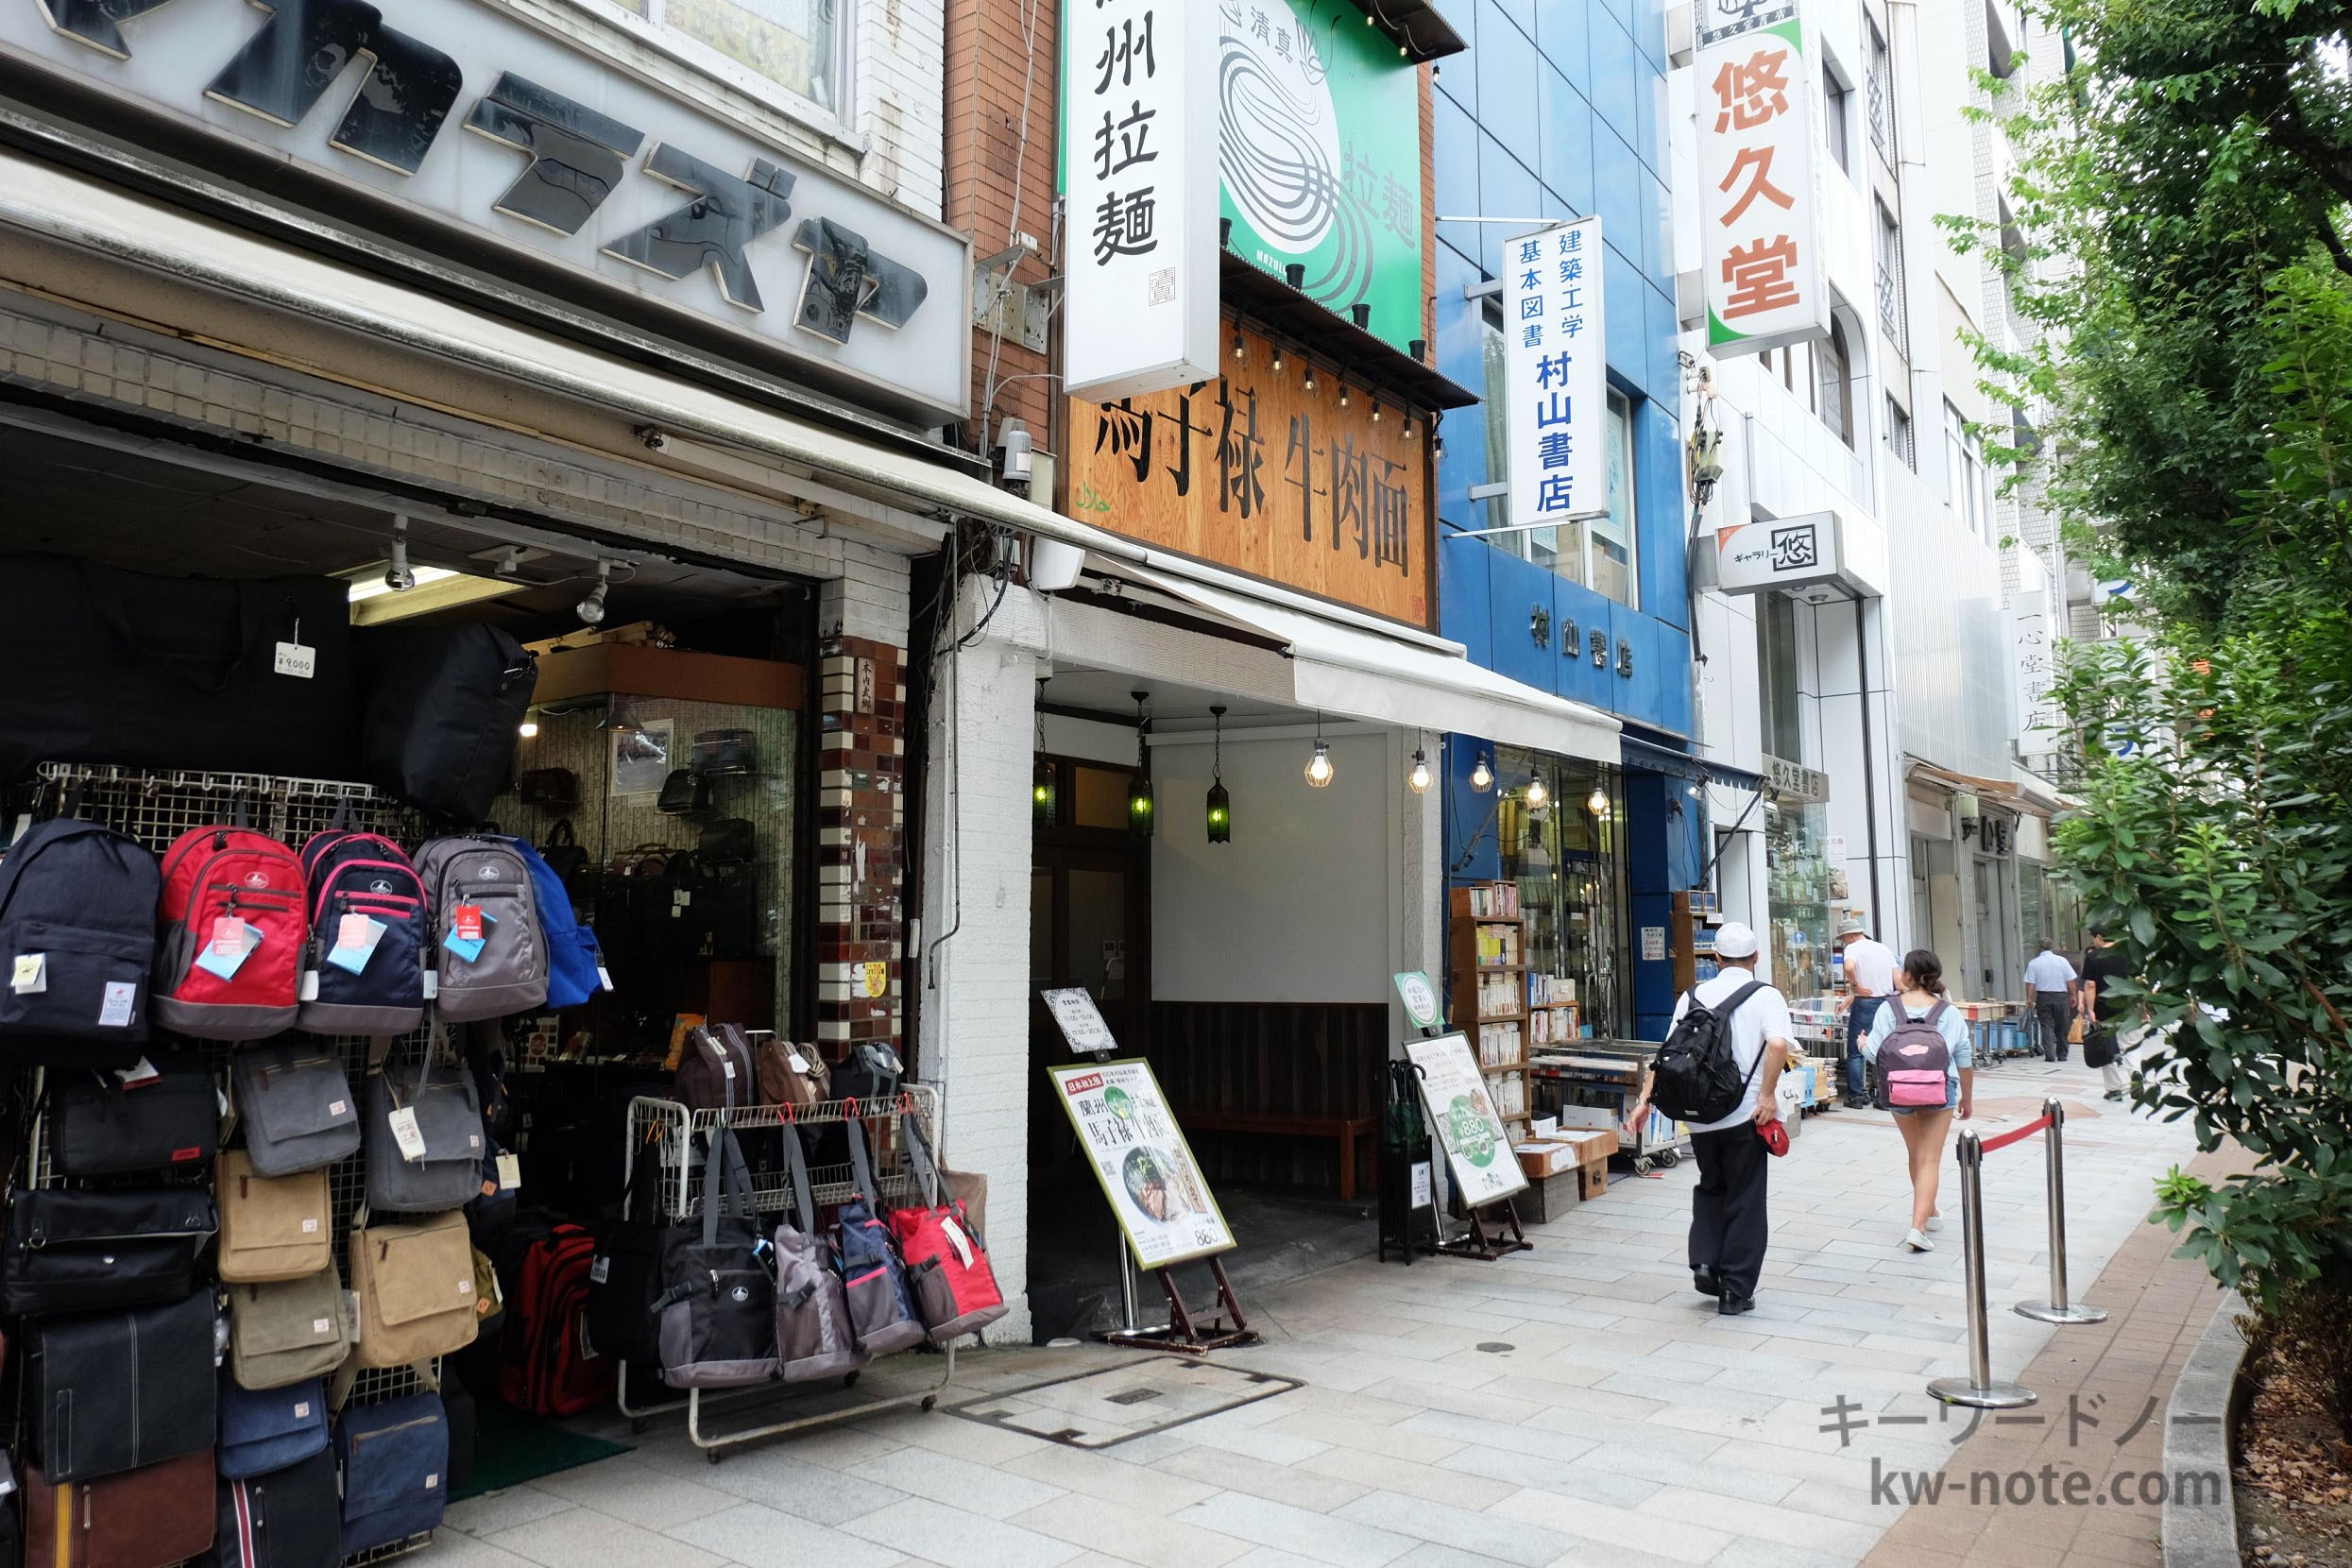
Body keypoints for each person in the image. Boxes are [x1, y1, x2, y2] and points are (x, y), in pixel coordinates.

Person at [1623, 921, 1791, 1317]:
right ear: (1755, 957)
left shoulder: (1692, 995)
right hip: (1745, 1114)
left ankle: (1704, 1262)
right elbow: (1778, 1044)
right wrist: (1767, 1095)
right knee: (1746, 1198)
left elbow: (1667, 1053)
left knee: (1711, 1186)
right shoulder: (1766, 996)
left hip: (1700, 1117)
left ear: (1715, 958)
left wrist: (1645, 1100)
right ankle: (1735, 1288)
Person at [1864, 948, 1975, 1253]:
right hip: (1939, 1088)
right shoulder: (1947, 1012)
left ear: (1907, 975)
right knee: (1929, 1159)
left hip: (1899, 1089)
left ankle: (1930, 1211)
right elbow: (1964, 1058)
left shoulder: (1888, 1008)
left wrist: (1861, 1044)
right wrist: (1967, 1097)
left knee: (1915, 1153)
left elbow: (1873, 1053)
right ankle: (1918, 1226)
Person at [1835, 918, 1900, 1109]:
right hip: (1887, 1002)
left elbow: (1848, 968)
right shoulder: (1883, 948)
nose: (1843, 942)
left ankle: (1856, 1096)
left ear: (1849, 935)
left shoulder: (1852, 948)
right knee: (1884, 1049)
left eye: (1843, 938)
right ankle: (1884, 1096)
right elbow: (1898, 979)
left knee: (1856, 1051)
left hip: (1865, 1003)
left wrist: (1855, 985)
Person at [2079, 928, 2134, 1099]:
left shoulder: (2093, 957)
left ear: (2099, 937)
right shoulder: (2127, 954)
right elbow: (2138, 981)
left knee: (2107, 1046)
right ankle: (2136, 1076)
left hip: (2104, 1009)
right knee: (2129, 1044)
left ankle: (2114, 1089)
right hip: (2129, 1008)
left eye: (2093, 938)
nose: (2093, 942)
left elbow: (2090, 985)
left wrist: (2090, 1009)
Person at [2023, 939, 2079, 1062]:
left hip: (2043, 997)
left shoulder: (2034, 963)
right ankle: (2062, 1054)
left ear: (2039, 948)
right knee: (2062, 1026)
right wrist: (2073, 995)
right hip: (2060, 997)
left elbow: (2030, 983)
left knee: (2046, 1026)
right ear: (2052, 947)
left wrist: (2029, 999)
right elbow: (2071, 980)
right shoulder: (2062, 961)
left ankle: (2050, 1055)